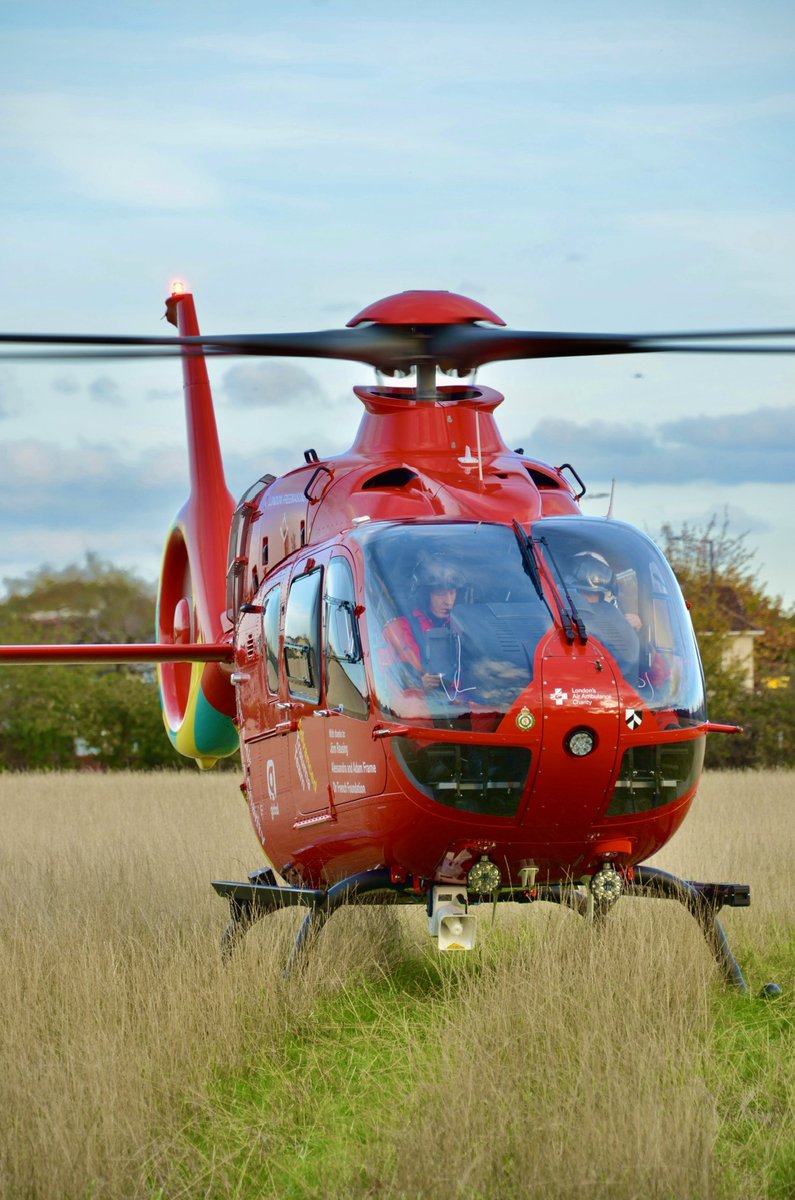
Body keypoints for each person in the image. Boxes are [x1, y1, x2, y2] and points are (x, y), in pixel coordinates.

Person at [383, 554, 468, 692]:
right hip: (419, 709)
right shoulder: (397, 630)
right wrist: (417, 683)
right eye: (440, 594)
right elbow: (386, 684)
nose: (448, 601)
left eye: (452, 593)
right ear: (424, 595)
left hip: (465, 709)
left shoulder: (463, 628)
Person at [566, 553, 640, 680]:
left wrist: (637, 632)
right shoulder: (556, 618)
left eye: (592, 594)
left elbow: (659, 675)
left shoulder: (619, 623)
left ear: (606, 597)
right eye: (580, 593)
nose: (585, 599)